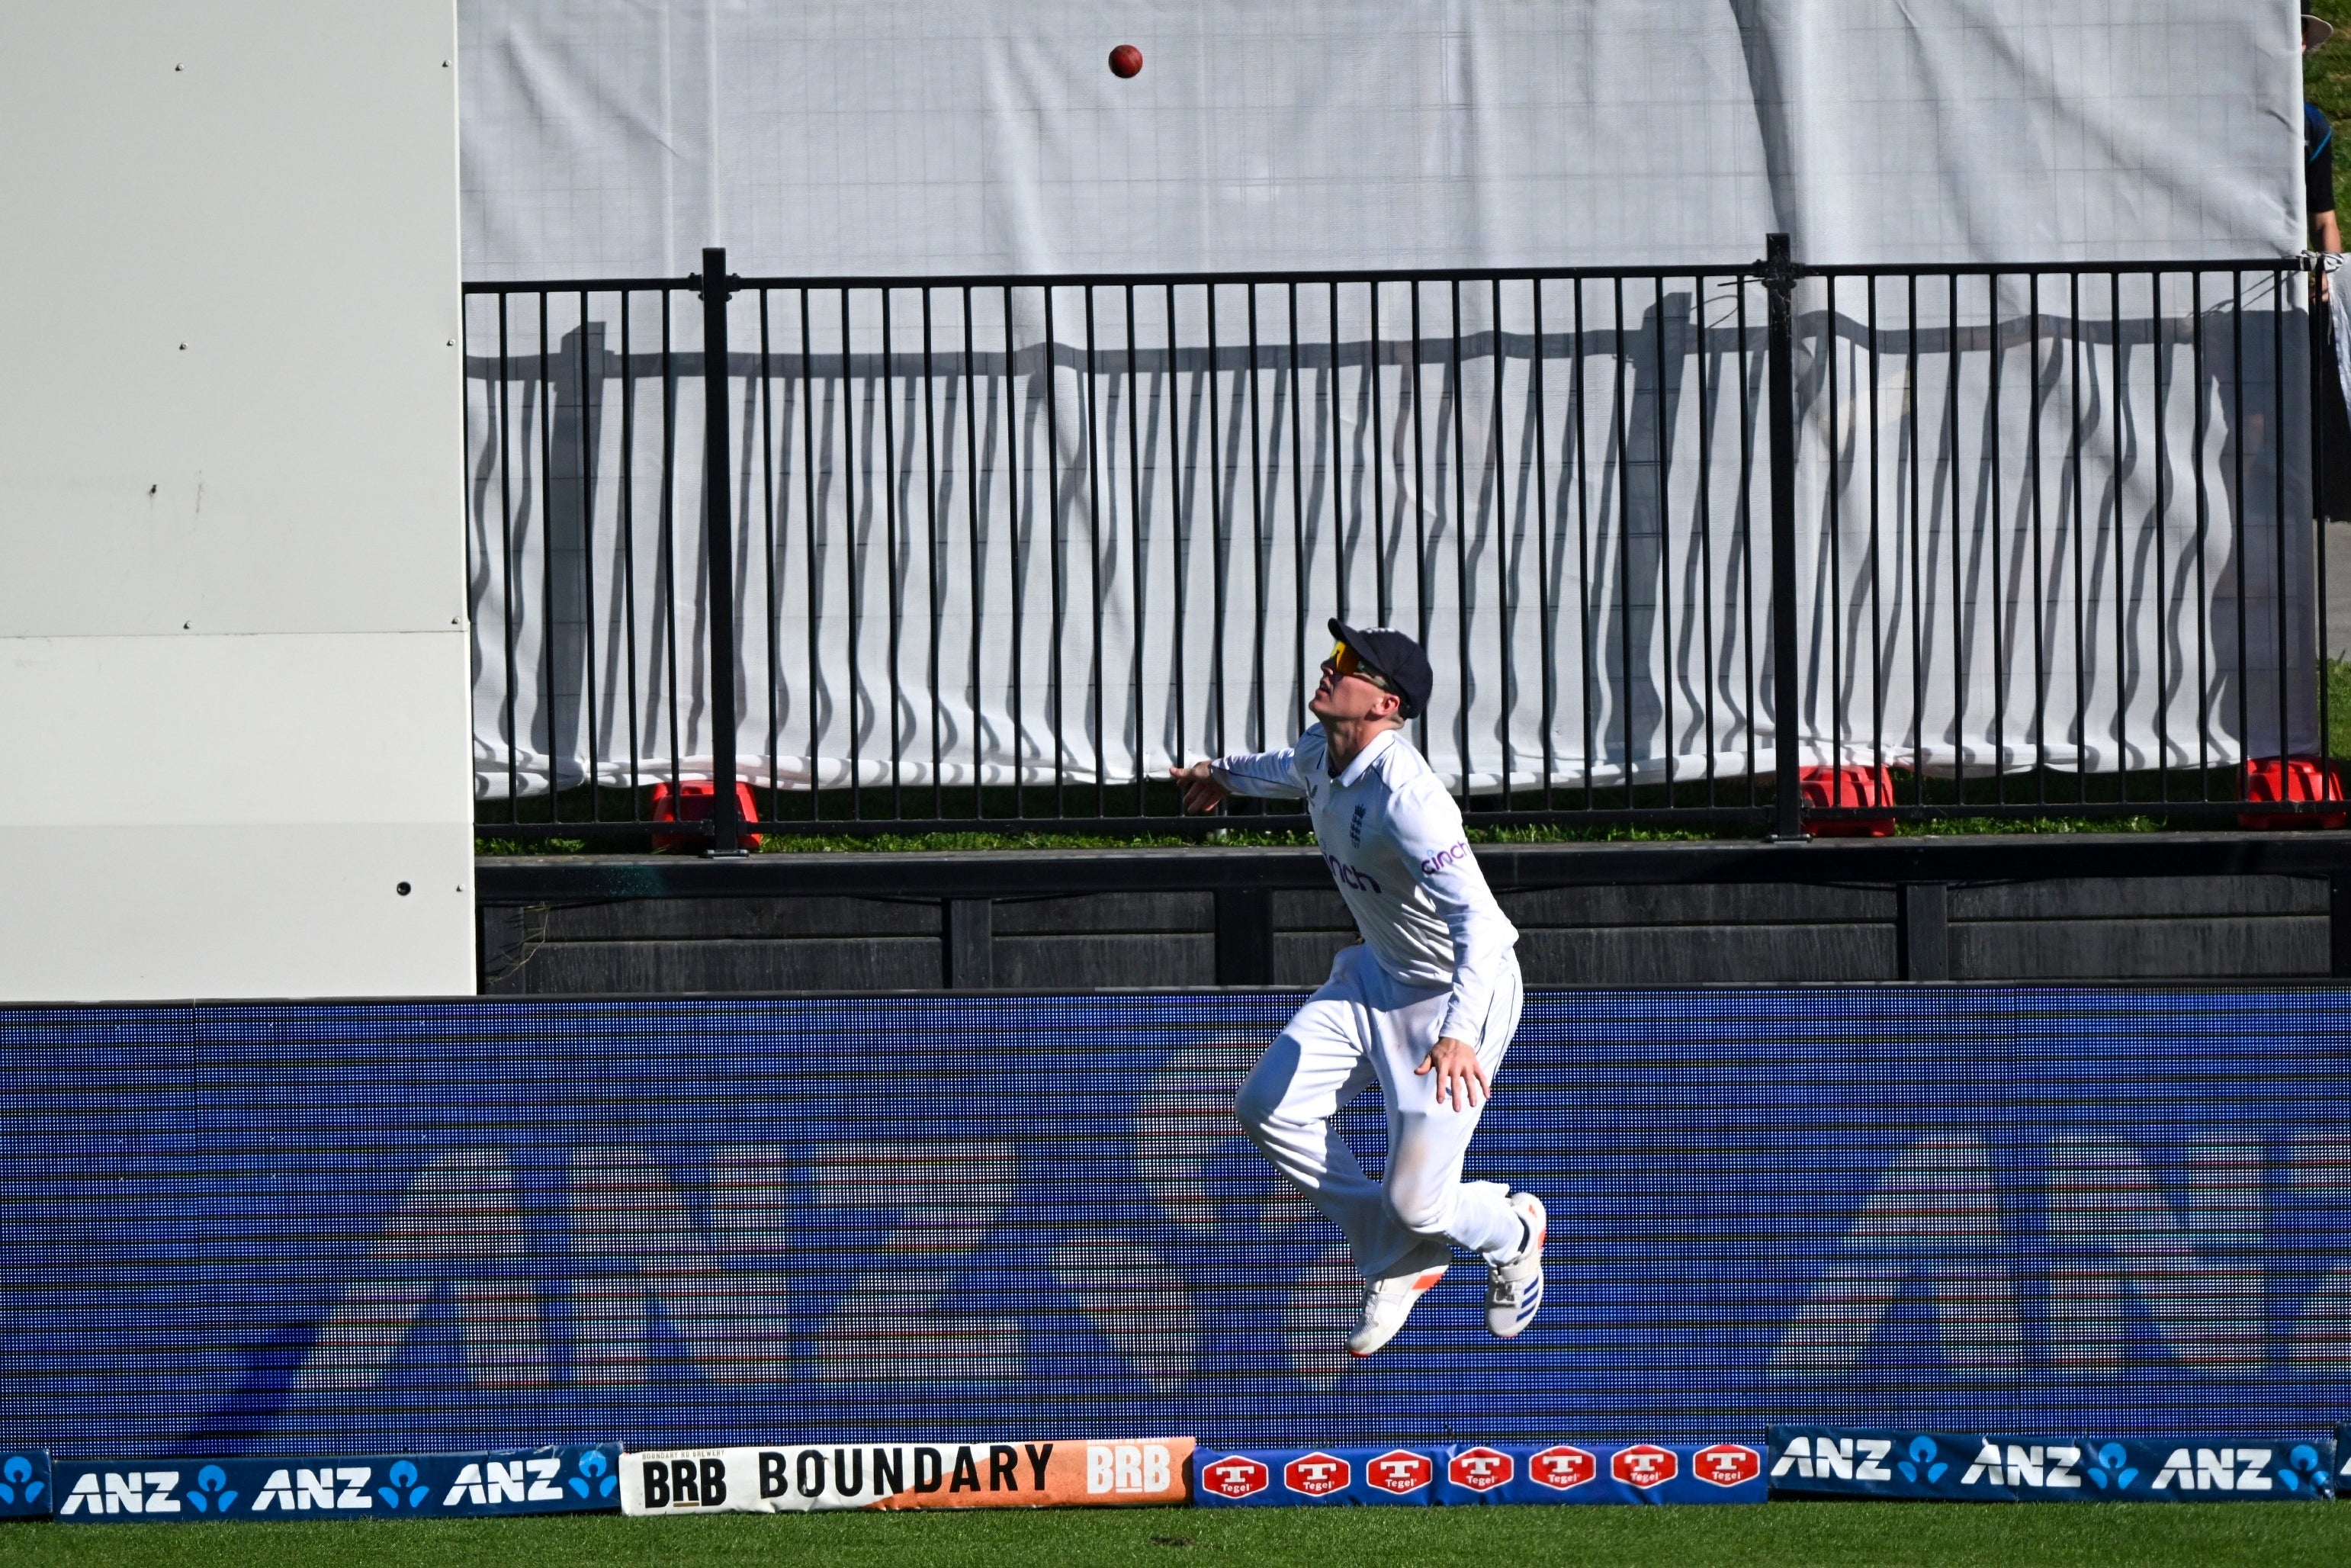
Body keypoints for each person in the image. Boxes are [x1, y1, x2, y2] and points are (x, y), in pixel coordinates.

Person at [1169, 621, 1544, 1355]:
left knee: (1420, 1201)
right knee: (1267, 1106)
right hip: (1376, 975)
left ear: (1385, 704)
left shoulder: (1410, 800)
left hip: (1455, 1000)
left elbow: (1487, 928)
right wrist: (1218, 772)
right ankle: (1391, 1252)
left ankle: (1514, 1229)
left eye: (1348, 663)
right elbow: (1279, 767)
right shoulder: (1322, 749)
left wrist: (1460, 1032)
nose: (1327, 665)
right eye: (1334, 654)